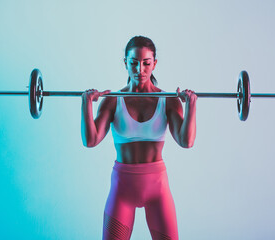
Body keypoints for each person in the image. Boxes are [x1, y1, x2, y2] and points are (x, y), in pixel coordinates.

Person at [81, 36, 197, 240]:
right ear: (125, 62)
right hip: (122, 189)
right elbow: (91, 141)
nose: (140, 69)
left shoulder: (168, 100)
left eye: (146, 63)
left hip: (157, 190)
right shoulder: (112, 100)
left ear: (154, 64)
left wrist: (191, 106)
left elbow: (186, 141)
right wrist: (86, 104)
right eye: (133, 63)